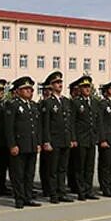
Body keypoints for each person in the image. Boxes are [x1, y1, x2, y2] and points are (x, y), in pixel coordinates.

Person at [4, 76, 41, 208]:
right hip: (19, 145)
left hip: (31, 144)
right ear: (18, 91)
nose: (29, 91)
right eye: (25, 89)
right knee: (18, 174)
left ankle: (28, 197)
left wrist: (38, 143)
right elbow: (9, 127)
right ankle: (19, 198)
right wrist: (12, 145)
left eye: (30, 89)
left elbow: (36, 126)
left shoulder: (33, 105)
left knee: (29, 173)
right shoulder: (12, 105)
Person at [39, 70, 76, 203]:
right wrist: (46, 141)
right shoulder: (48, 103)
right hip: (54, 140)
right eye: (56, 82)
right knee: (52, 169)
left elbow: (69, 122)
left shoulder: (66, 101)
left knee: (62, 168)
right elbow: (45, 124)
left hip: (65, 139)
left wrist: (72, 138)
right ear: (51, 85)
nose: (59, 84)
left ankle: (62, 192)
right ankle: (53, 193)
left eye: (60, 82)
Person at [70, 75, 99, 200]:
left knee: (89, 167)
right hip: (81, 139)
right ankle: (81, 191)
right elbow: (72, 122)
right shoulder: (76, 102)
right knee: (80, 167)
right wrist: (73, 138)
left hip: (91, 139)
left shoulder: (94, 102)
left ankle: (89, 189)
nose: (87, 89)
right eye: (85, 87)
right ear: (80, 89)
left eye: (89, 87)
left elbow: (96, 121)